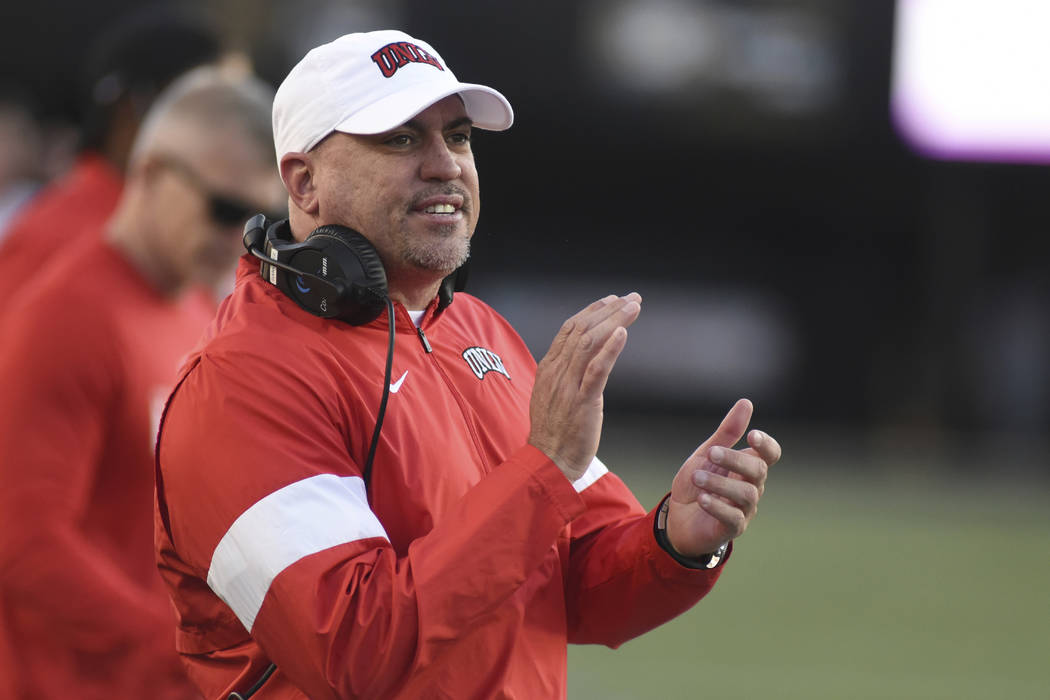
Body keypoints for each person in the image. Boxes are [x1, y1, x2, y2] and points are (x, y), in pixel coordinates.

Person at [155, 30, 782, 699]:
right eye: (400, 139)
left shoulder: (478, 331)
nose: (445, 165)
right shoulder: (245, 381)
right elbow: (355, 650)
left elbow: (574, 582)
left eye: (457, 137)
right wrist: (543, 470)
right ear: (303, 182)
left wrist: (675, 541)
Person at [0, 68, 283, 700]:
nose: (236, 237)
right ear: (152, 173)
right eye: (223, 209)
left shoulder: (196, 310)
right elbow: (22, 542)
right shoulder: (66, 317)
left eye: (256, 217)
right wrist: (179, 648)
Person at [0, 6, 225, 315]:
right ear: (130, 112)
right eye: (207, 110)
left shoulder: (179, 244)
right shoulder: (50, 240)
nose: (224, 133)